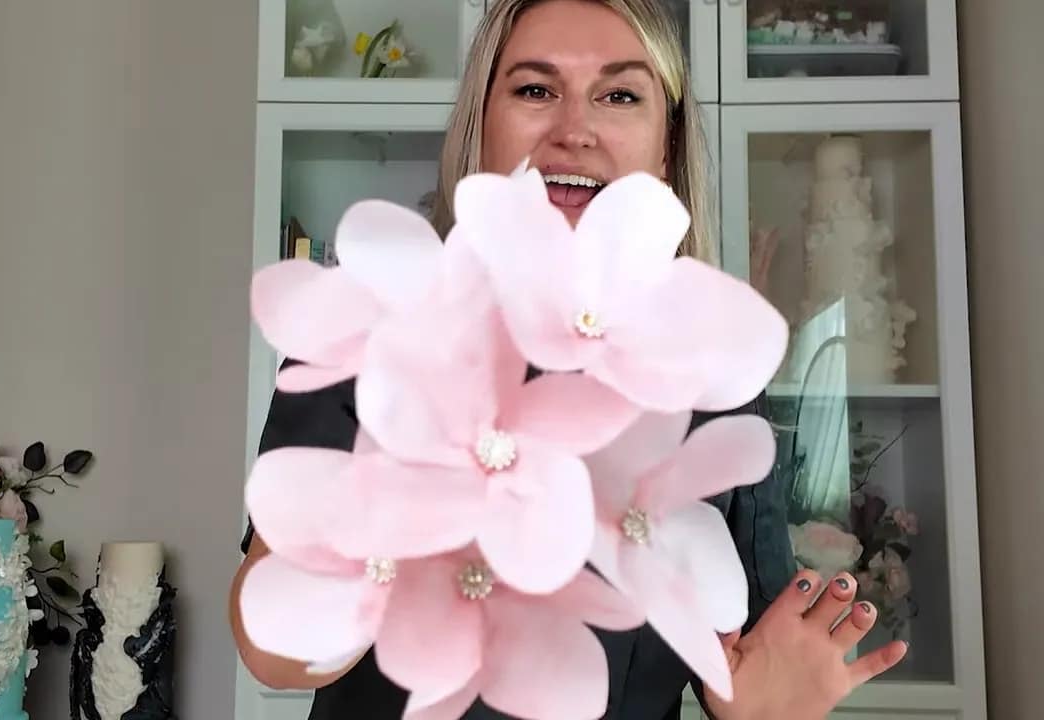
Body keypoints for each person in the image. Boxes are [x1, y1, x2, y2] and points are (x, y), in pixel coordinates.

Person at [229, 1, 909, 718]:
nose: (575, 129)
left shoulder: (714, 378)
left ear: (667, 148)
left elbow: (745, 661)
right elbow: (274, 651)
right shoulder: (379, 325)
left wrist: (756, 703)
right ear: (480, 127)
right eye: (534, 89)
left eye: (620, 96)